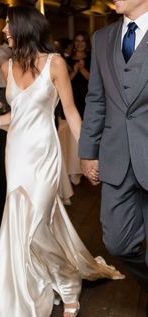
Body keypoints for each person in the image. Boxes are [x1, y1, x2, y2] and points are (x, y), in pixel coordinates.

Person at [0, 6, 124, 317]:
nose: (4, 32)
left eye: (9, 27)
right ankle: (30, 284)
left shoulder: (55, 63)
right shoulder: (7, 67)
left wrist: (89, 155)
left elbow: (70, 112)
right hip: (16, 153)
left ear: (25, 28)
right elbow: (18, 115)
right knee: (21, 221)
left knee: (38, 221)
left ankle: (69, 284)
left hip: (44, 153)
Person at [79, 0, 148, 294]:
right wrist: (87, 152)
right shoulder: (102, 37)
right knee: (117, 242)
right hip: (116, 156)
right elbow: (96, 98)